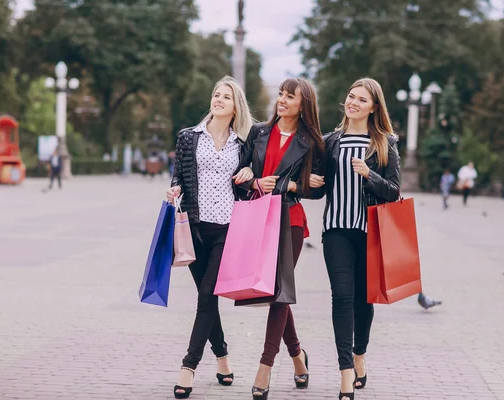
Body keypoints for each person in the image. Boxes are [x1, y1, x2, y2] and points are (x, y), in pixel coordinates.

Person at [165, 76, 255, 399]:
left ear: (235, 107)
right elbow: (180, 175)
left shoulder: (244, 144)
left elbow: (251, 178)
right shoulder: (189, 138)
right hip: (193, 230)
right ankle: (223, 359)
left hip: (226, 231)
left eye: (226, 97)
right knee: (209, 300)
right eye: (216, 95)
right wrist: (175, 188)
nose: (218, 100)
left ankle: (188, 366)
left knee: (207, 295)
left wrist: (250, 174)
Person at [236, 78, 325, 400]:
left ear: (304, 105)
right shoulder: (258, 132)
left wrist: (289, 186)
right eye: (281, 95)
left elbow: (318, 188)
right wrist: (253, 180)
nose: (282, 100)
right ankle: (298, 357)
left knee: (278, 292)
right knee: (277, 291)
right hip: (257, 218)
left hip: (290, 222)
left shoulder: (312, 142)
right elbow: (241, 175)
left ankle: (265, 366)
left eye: (291, 97)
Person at [313, 78, 400, 400]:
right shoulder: (330, 142)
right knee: (342, 299)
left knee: (364, 300)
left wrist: (369, 174)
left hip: (370, 232)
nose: (354, 103)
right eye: (351, 97)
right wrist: (308, 182)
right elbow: (319, 189)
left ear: (374, 107)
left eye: (362, 100)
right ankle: (346, 371)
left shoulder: (383, 143)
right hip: (336, 230)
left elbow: (393, 192)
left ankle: (360, 353)